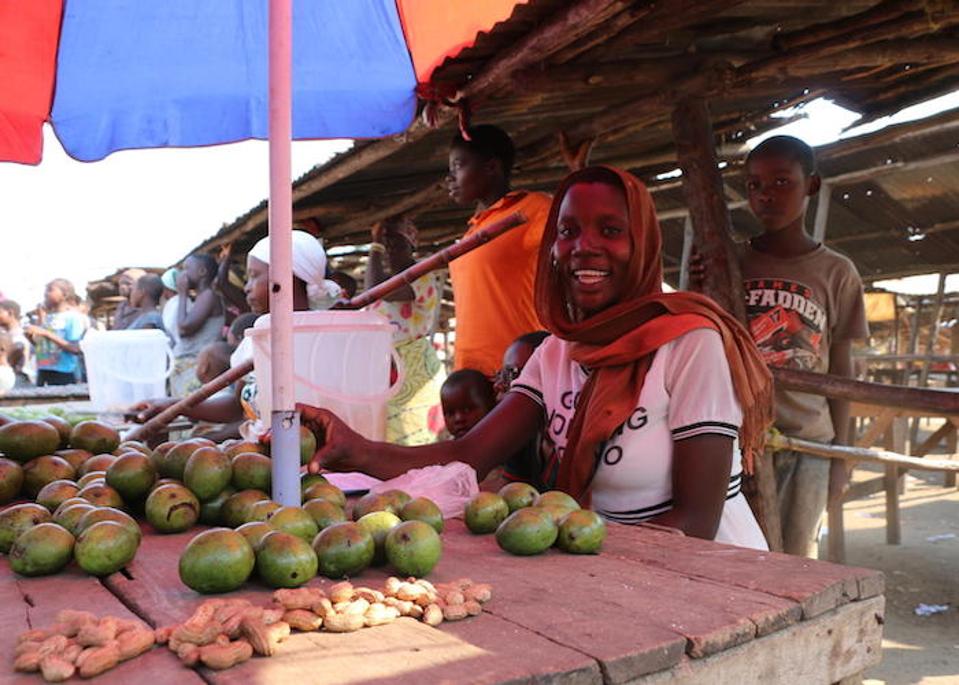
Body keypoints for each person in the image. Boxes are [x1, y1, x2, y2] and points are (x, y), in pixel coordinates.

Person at [300, 166, 773, 549]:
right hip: (613, 571)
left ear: (644, 244)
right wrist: (355, 448)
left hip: (714, 579)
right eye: (567, 231)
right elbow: (467, 455)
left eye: (610, 230)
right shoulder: (557, 352)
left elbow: (696, 521)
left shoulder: (691, 344)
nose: (584, 246)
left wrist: (575, 560)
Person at [698, 136, 868, 557]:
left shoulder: (837, 272)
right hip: (736, 441)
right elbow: (701, 338)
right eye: (754, 185)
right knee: (733, 556)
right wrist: (698, 286)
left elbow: (843, 370)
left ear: (811, 185)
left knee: (794, 561)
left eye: (781, 182)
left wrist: (840, 456)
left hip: (807, 442)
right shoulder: (729, 265)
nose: (765, 196)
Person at [135, 231, 337, 437]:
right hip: (253, 457)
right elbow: (235, 407)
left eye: (254, 276)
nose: (247, 288)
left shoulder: (320, 342)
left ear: (287, 278)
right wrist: (173, 405)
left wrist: (212, 438)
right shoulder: (255, 339)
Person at [447, 124, 552, 376]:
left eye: (458, 166)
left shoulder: (531, 209)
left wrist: (578, 172)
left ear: (491, 167)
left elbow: (575, 236)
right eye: (449, 170)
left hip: (517, 368)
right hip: (469, 372)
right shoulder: (473, 230)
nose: (449, 178)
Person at [366, 217, 445, 445]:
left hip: (413, 369)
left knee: (413, 439)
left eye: (397, 243)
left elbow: (376, 290)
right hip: (387, 368)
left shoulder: (421, 275)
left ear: (413, 245)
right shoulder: (390, 280)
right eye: (386, 244)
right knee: (387, 437)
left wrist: (375, 245)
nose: (390, 250)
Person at [494, 330, 550, 488]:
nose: (498, 384)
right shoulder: (521, 434)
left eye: (510, 374)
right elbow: (509, 487)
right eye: (500, 374)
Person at [169, 254, 225, 397]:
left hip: (198, 367)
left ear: (202, 272)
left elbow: (184, 328)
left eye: (187, 268)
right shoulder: (201, 298)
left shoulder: (208, 296)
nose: (183, 274)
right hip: (190, 367)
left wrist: (182, 294)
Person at [26, 279, 87, 386]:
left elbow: (76, 349)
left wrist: (46, 333)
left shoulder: (72, 318)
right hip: (43, 369)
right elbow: (43, 346)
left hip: (63, 372)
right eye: (45, 290)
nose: (45, 294)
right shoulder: (48, 318)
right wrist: (30, 337)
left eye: (50, 290)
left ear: (64, 295)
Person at [440, 369, 496, 440]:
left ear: (491, 404)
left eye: (467, 410)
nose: (458, 418)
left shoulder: (504, 440)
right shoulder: (450, 449)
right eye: (451, 413)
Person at [0, 299, 34, 384]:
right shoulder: (5, 334)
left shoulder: (22, 334)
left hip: (18, 378)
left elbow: (17, 354)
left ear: (10, 313)